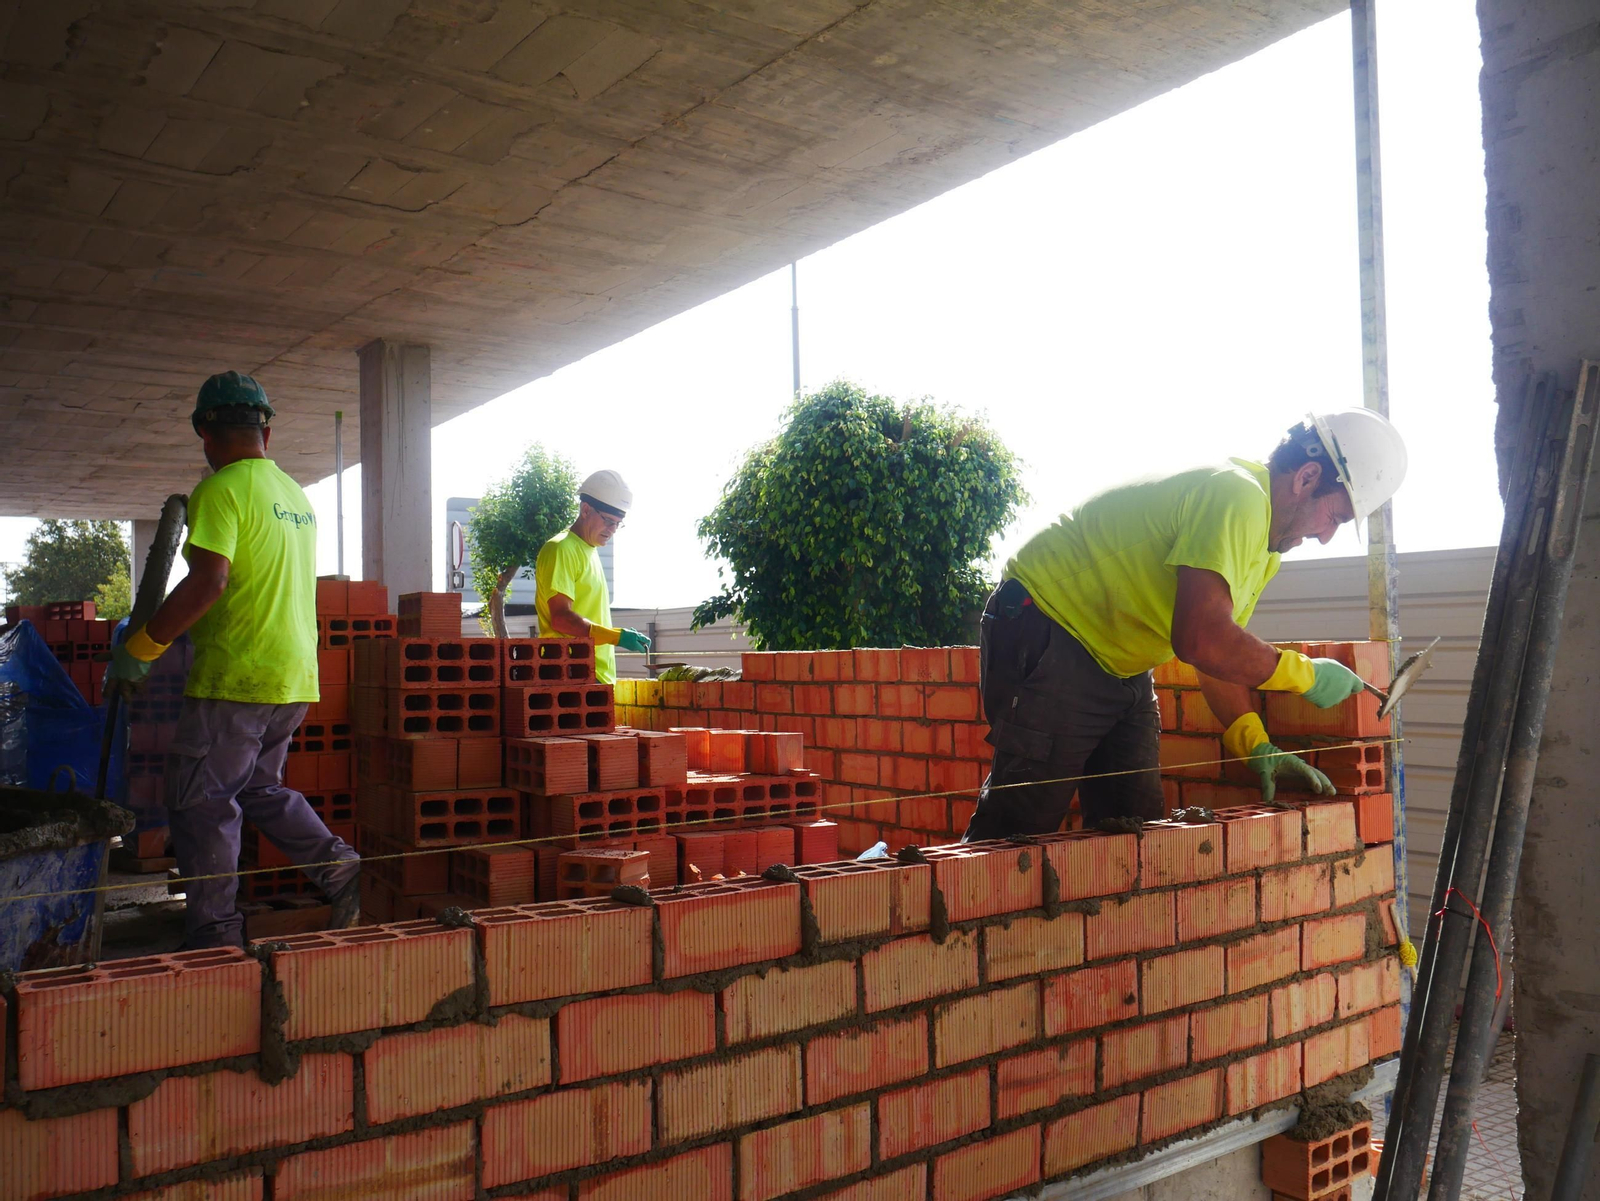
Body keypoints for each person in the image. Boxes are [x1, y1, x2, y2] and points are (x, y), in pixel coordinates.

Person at [963, 409, 1408, 841]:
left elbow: (1219, 655)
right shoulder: (1238, 497)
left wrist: (1255, 744)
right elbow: (1200, 639)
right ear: (1306, 478)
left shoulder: (1265, 549)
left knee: (1132, 822)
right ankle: (958, 913)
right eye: (1334, 517)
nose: (1326, 536)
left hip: (1118, 661)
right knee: (1018, 829)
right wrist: (1304, 675)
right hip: (1049, 627)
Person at [107, 371, 360, 947]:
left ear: (205, 431)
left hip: (237, 679)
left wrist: (141, 648)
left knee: (202, 800)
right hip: (292, 677)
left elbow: (210, 581)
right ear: (266, 433)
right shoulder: (295, 496)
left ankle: (216, 933)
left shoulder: (218, 491)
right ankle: (338, 866)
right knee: (257, 789)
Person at [534, 470, 651, 685]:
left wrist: (613, 635)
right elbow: (561, 618)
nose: (613, 529)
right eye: (608, 521)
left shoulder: (589, 550)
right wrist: (616, 636)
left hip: (590, 673)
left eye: (618, 523)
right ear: (586, 510)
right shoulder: (561, 548)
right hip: (569, 670)